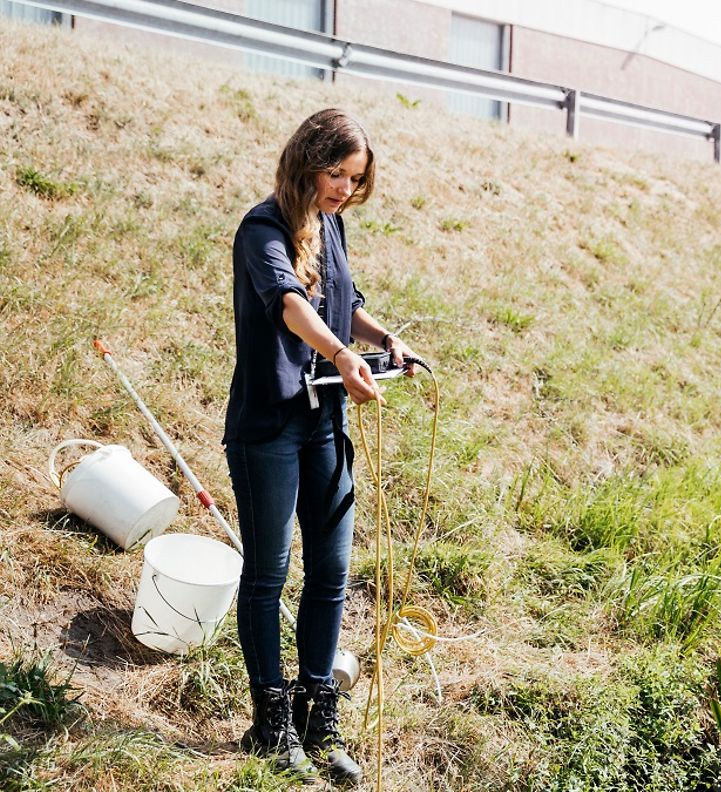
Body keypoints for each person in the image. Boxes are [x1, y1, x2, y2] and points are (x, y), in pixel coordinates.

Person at [223, 108, 417, 785]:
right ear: (306, 161)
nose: (342, 188)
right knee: (269, 572)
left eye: (354, 179)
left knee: (331, 572)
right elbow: (288, 305)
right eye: (335, 173)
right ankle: (270, 726)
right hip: (269, 426)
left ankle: (317, 717)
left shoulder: (331, 225)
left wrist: (384, 340)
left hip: (324, 421)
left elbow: (343, 301)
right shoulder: (262, 228)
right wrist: (340, 350)